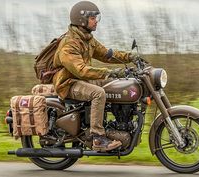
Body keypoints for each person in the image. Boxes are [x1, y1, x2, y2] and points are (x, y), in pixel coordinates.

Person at [53, 1, 137, 152]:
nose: (96, 21)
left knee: (116, 82)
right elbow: (81, 70)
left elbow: (107, 54)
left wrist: (130, 57)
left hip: (82, 80)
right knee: (98, 93)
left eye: (96, 18)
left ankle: (117, 123)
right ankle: (97, 137)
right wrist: (109, 71)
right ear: (81, 20)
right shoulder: (69, 44)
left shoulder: (87, 39)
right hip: (68, 83)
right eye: (92, 18)